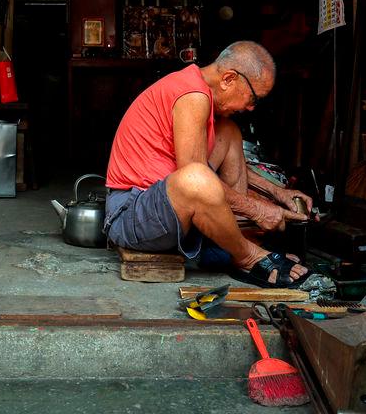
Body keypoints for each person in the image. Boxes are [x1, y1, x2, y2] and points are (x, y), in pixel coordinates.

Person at [104, 41, 314, 287]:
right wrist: (257, 210)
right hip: (130, 215)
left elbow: (201, 165)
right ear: (228, 79)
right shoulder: (193, 95)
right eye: (253, 98)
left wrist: (278, 193)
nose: (250, 107)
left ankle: (237, 242)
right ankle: (247, 255)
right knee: (196, 177)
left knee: (229, 132)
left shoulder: (197, 88)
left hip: (159, 206)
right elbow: (196, 176)